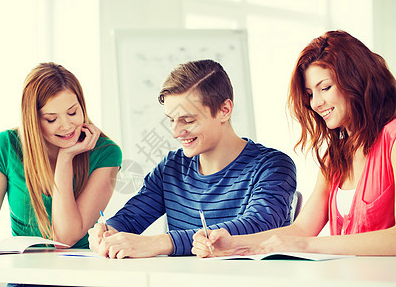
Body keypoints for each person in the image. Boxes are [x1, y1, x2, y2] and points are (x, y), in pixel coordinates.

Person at [192, 30, 396, 258]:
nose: (316, 103)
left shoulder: (392, 137)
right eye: (310, 93)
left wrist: (305, 246)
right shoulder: (335, 157)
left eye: (325, 88)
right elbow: (301, 230)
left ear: (357, 80)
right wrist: (232, 243)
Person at [88, 59, 297, 258]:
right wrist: (107, 232)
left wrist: (160, 243)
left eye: (187, 120)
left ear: (224, 110)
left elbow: (259, 226)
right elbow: (131, 218)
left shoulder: (273, 166)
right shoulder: (172, 167)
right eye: (171, 120)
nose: (176, 132)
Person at [0, 62, 122, 255]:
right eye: (51, 119)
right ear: (32, 119)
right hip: (24, 274)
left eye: (72, 112)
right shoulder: (6, 146)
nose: (67, 125)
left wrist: (66, 158)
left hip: (79, 273)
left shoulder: (106, 153)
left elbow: (66, 237)